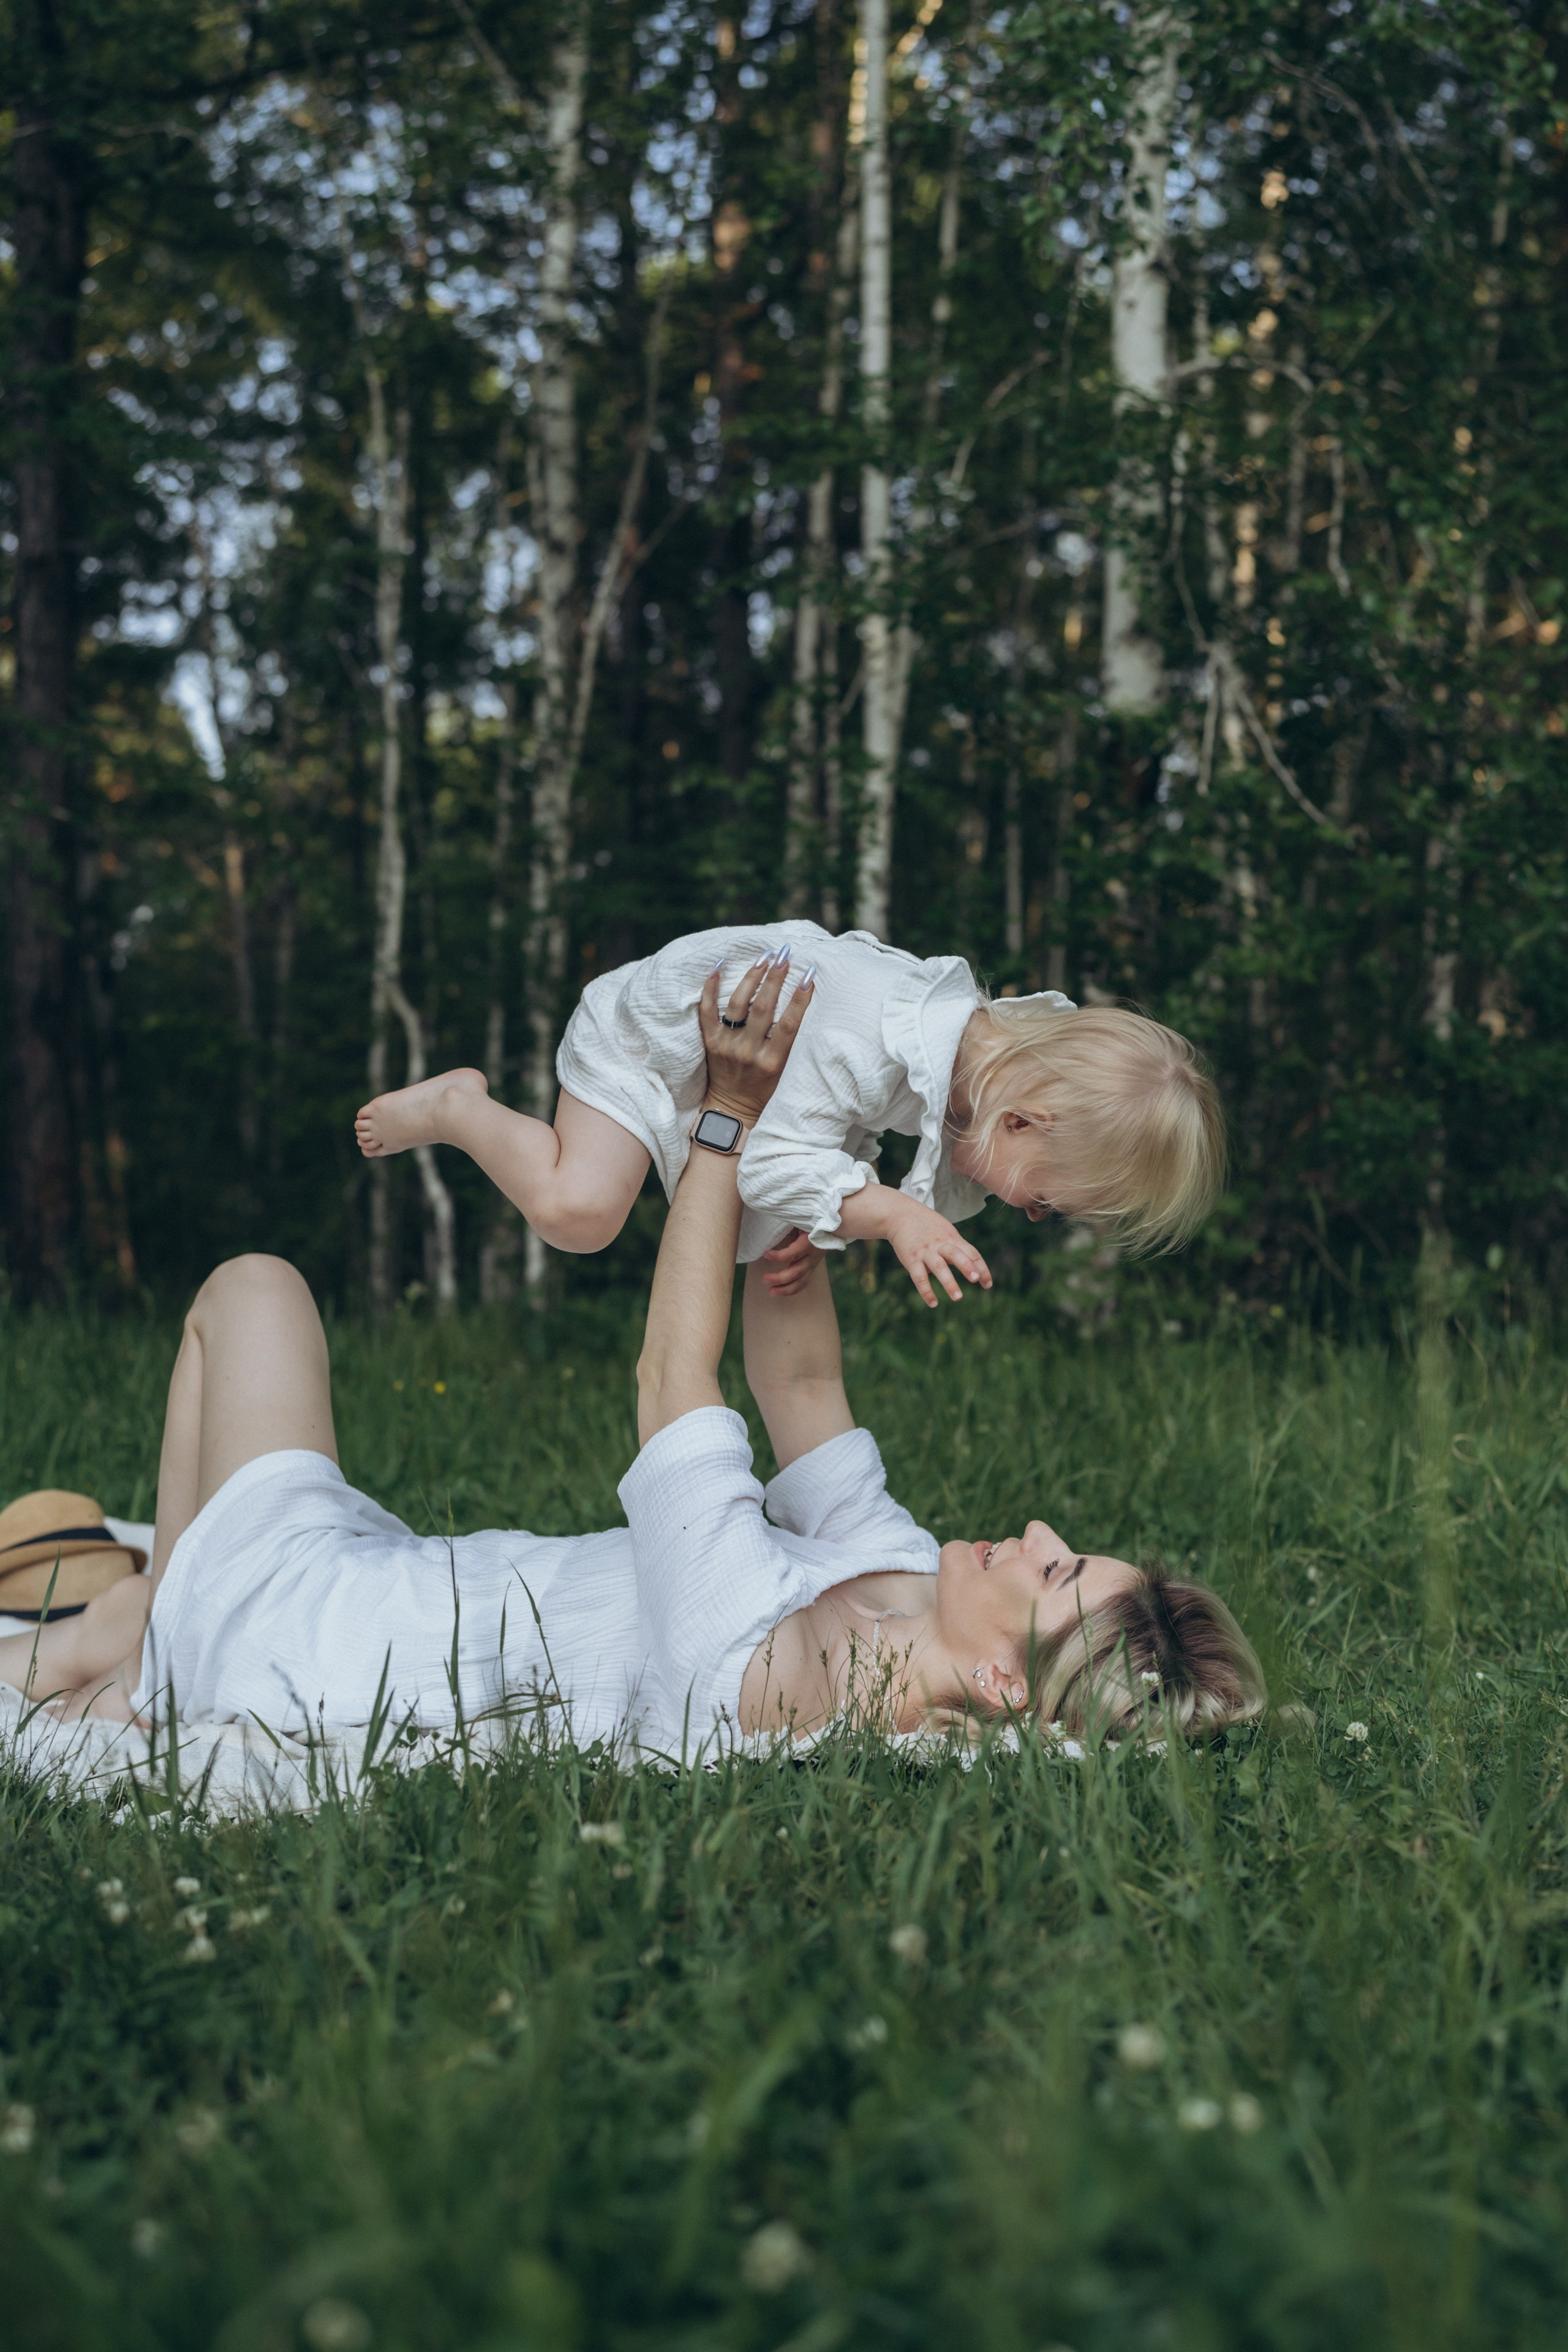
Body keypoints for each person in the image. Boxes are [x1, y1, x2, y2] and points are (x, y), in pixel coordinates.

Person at [0, 957, 1264, 1747]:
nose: (1039, 1533)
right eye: (1072, 1550)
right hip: (396, 1588)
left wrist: (721, 1119)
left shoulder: (757, 1671)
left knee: (252, 1286)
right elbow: (801, 1381)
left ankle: (154, 1643)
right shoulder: (889, 1577)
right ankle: (136, 1628)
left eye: (1050, 1577)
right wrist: (807, 1204)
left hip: (322, 1644)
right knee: (191, 1491)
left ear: (998, 1682)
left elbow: (674, 1381)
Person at [355, 921, 1224, 1312]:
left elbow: (798, 1135)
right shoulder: (871, 1026)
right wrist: (883, 1211)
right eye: (1047, 1203)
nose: (1031, 1215)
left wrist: (827, 1209)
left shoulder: (951, 1066)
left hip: (746, 1095)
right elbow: (757, 1149)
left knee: (774, 1248)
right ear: (1024, 1122)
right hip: (650, 1044)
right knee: (577, 1214)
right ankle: (458, 1107)